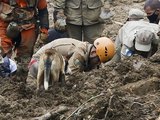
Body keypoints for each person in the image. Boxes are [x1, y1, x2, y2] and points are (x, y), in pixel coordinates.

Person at [0, 0, 49, 76]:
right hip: (6, 25)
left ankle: (21, 82)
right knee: (3, 55)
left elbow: (43, 10)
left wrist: (44, 29)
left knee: (25, 58)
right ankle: (4, 81)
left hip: (29, 26)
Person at [28, 37, 115, 78]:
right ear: (93, 53)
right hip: (37, 63)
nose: (98, 64)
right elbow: (70, 77)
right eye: (98, 61)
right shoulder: (80, 53)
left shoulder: (89, 53)